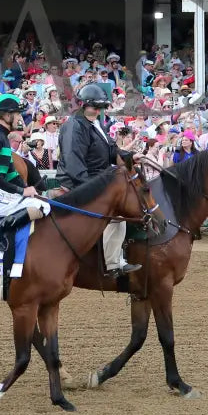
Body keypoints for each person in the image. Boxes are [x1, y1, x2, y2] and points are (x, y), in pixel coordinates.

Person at [56, 83, 139, 276]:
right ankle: (113, 263)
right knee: (117, 215)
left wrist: (129, 157)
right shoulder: (74, 126)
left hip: (97, 179)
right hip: (79, 184)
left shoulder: (95, 124)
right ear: (83, 105)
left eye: (101, 107)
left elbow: (111, 150)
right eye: (95, 106)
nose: (98, 110)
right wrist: (91, 189)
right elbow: (73, 163)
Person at [0, 94, 49, 252]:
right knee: (41, 207)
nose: (20, 118)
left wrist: (28, 189)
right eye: (17, 114)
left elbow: (11, 175)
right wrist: (22, 191)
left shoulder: (3, 138)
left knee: (41, 201)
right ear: (7, 116)